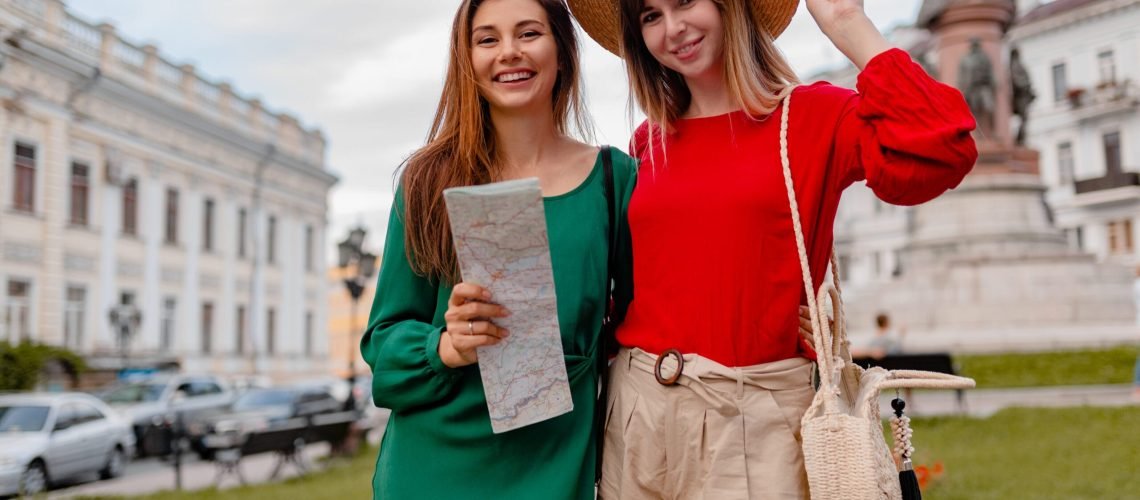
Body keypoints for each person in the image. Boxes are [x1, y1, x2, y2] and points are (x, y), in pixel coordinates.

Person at [566, 0, 978, 498]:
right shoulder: (648, 141)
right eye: (650, 16)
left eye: (685, 2)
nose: (672, 29)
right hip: (639, 417)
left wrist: (848, 24)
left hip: (753, 418)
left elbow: (942, 150)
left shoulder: (810, 116)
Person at [359, 0, 637, 498]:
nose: (508, 52)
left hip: (556, 466)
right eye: (487, 39)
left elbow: (643, 320)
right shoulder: (426, 181)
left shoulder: (615, 180)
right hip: (433, 471)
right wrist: (446, 345)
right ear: (467, 59)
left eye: (528, 34)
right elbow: (384, 342)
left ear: (562, 50)